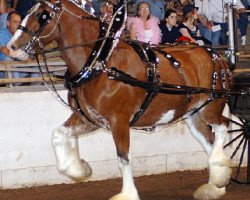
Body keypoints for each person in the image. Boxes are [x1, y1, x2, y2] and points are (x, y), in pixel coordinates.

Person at [0, 11, 28, 79]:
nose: (18, 25)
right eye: (15, 22)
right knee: (8, 59)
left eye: (20, 22)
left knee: (36, 63)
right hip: (3, 71)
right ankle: (16, 85)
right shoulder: (2, 34)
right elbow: (5, 51)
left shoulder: (20, 36)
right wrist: (22, 57)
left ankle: (36, 87)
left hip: (19, 68)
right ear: (8, 23)